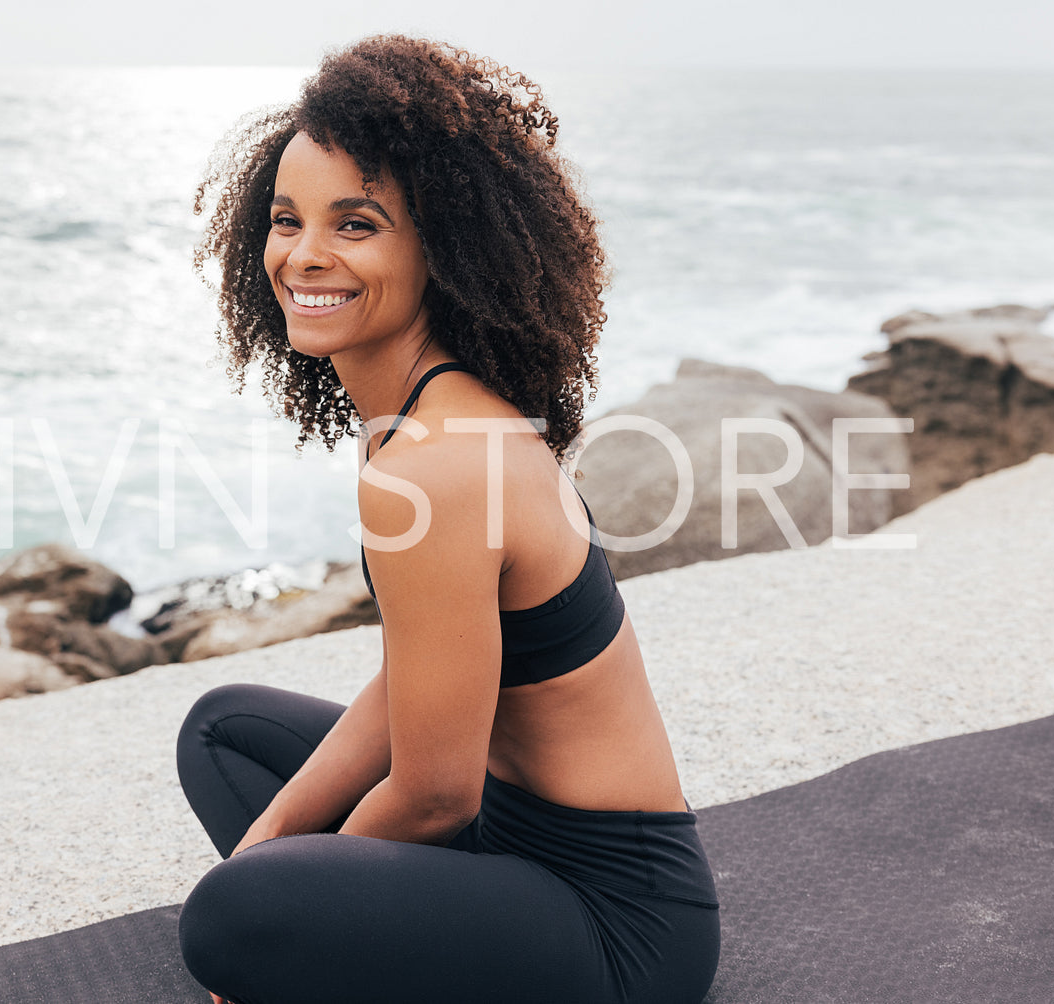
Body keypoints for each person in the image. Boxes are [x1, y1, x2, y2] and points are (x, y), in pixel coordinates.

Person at [174, 35, 719, 1004]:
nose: (303, 255)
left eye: (355, 224)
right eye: (285, 218)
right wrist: (265, 858)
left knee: (228, 921)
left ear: (440, 246)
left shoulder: (437, 462)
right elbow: (415, 682)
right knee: (223, 733)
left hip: (615, 925)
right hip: (502, 841)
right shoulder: (420, 412)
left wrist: (281, 900)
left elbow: (433, 795)